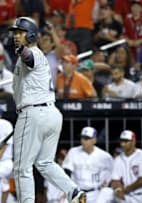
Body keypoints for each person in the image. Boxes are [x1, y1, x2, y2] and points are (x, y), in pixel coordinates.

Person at [8, 16, 86, 203]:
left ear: (31, 35)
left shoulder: (34, 53)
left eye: (20, 33)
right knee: (44, 162)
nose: (16, 36)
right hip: (49, 114)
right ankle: (73, 192)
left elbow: (29, 57)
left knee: (22, 167)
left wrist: (22, 49)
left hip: (33, 112)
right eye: (15, 33)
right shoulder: (33, 57)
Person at [96, 130, 142, 203]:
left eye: (126, 141)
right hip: (126, 196)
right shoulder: (118, 159)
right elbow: (115, 180)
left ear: (133, 141)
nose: (123, 144)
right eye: (121, 141)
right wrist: (118, 190)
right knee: (105, 192)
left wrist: (125, 190)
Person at [62, 127, 113, 203]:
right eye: (82, 138)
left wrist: (104, 185)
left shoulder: (104, 156)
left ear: (94, 140)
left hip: (96, 192)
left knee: (108, 192)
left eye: (86, 138)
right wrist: (67, 189)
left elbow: (111, 174)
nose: (83, 141)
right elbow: (66, 171)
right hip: (78, 192)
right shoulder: (73, 152)